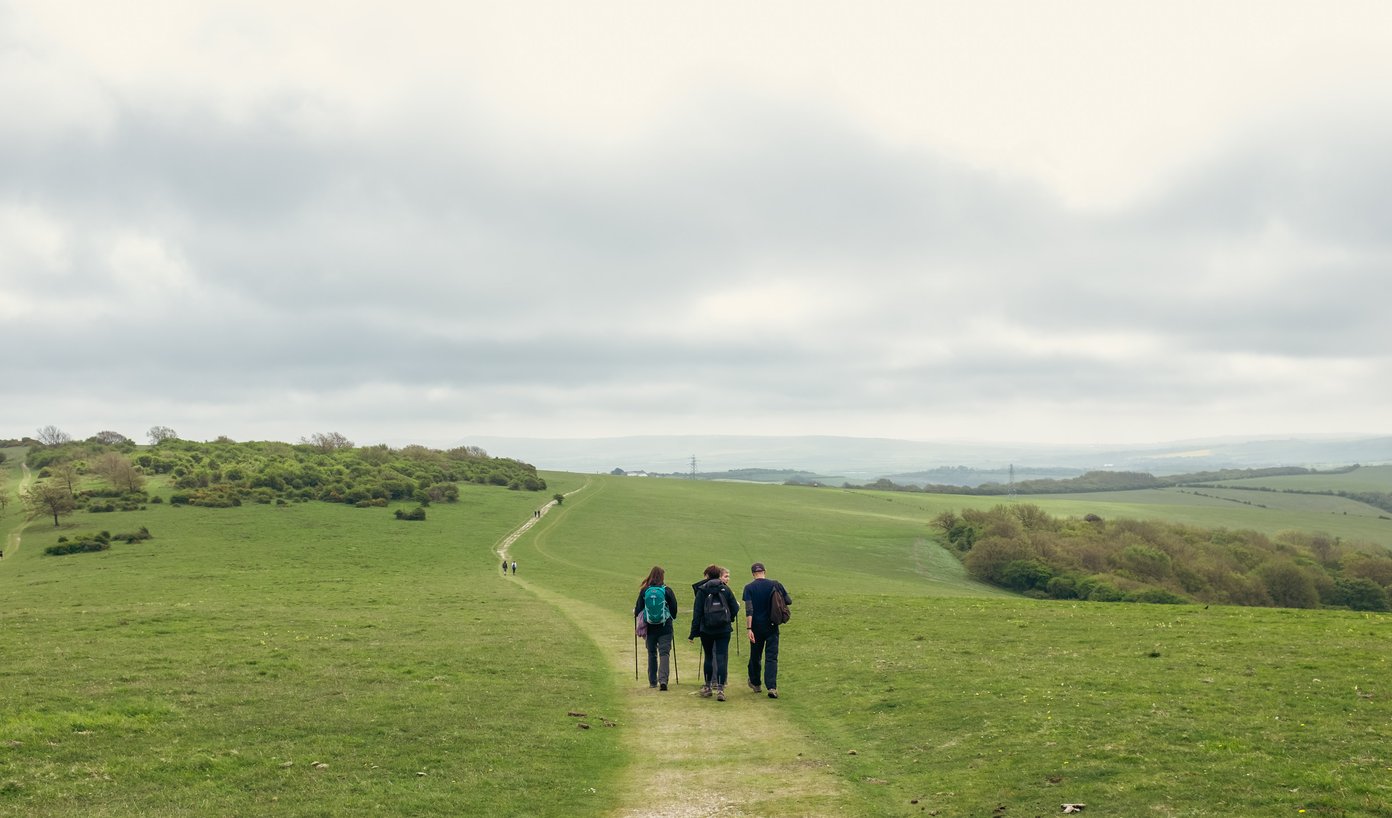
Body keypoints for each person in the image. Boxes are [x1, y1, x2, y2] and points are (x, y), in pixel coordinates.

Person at [689, 564, 739, 701]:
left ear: (707, 575)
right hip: (724, 629)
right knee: (721, 657)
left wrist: (693, 633)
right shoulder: (725, 589)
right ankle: (721, 689)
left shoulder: (702, 590)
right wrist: (730, 619)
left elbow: (697, 613)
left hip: (707, 629)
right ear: (718, 575)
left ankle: (708, 687)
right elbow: (735, 607)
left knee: (709, 656)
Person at [743, 562, 791, 699]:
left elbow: (749, 610)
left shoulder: (749, 588)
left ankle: (756, 683)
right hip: (772, 626)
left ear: (753, 574)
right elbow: (789, 600)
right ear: (765, 571)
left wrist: (749, 628)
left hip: (756, 627)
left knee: (755, 656)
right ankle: (771, 687)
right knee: (771, 657)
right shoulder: (775, 584)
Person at [633, 566, 680, 690]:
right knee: (664, 653)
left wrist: (636, 614)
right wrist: (672, 617)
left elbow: (638, 609)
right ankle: (663, 680)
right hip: (665, 627)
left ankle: (652, 681)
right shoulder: (667, 590)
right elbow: (674, 608)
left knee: (652, 653)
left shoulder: (645, 591)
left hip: (650, 627)